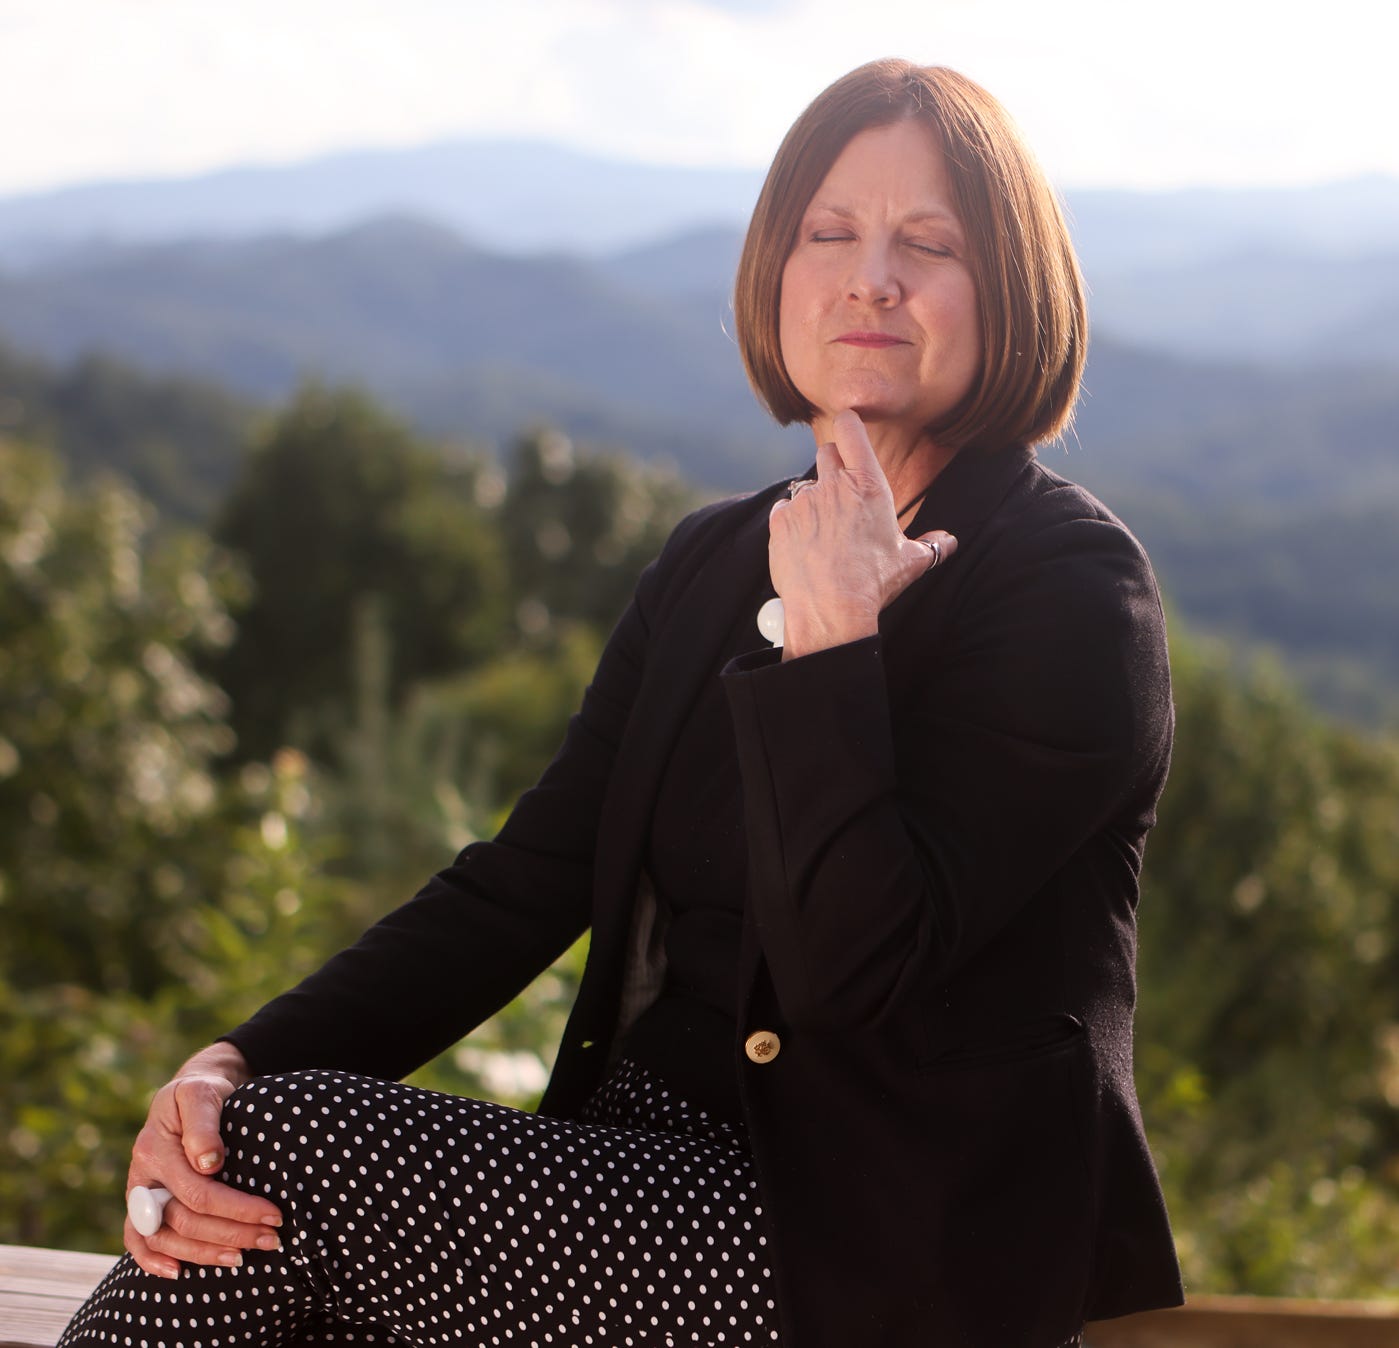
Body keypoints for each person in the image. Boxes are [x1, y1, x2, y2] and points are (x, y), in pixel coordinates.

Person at [60, 58, 1183, 1348]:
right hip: (638, 1172)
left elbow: (860, 971)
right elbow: (526, 878)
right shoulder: (714, 560)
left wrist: (832, 645)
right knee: (241, 1168)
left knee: (290, 1156)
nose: (870, 277)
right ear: (776, 273)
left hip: (882, 1246)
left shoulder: (1071, 592)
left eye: (929, 245)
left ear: (1014, 292)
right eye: (829, 233)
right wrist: (233, 1060)